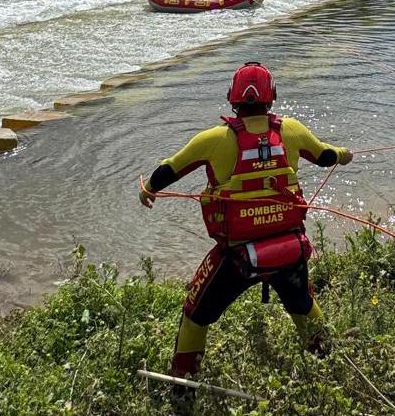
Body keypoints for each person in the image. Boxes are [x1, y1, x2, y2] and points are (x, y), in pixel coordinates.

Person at [138, 61, 353, 401]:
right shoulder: (292, 131)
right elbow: (326, 155)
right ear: (272, 98)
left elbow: (168, 170)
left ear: (232, 99)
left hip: (236, 256)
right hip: (288, 248)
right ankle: (329, 373)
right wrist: (344, 155)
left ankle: (182, 393)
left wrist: (146, 187)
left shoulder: (213, 139)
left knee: (195, 315)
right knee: (304, 307)